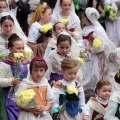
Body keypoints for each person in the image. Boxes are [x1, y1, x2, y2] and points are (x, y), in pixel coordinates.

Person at [82, 7, 116, 100]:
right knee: (85, 74)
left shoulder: (97, 30)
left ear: (87, 17)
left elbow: (103, 45)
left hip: (95, 58)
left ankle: (98, 95)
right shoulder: (85, 28)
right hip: (86, 57)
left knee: (95, 75)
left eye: (84, 16)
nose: (83, 18)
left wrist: (92, 49)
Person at [0, 33, 29, 120]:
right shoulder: (4, 64)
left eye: (23, 48)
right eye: (18, 48)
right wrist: (10, 81)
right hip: (8, 97)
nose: (21, 50)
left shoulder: (27, 64)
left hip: (25, 96)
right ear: (10, 49)